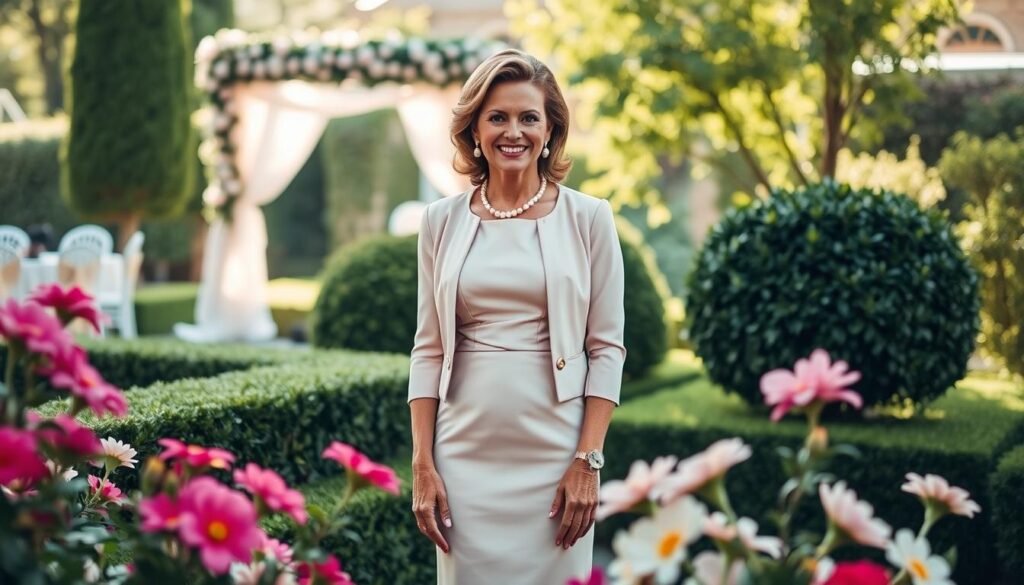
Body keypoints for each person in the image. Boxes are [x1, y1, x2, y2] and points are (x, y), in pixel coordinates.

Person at [408, 49, 627, 584]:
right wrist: (422, 462)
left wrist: (588, 461)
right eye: (497, 116)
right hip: (463, 451)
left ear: (550, 129)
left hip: (557, 452)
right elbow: (428, 348)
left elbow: (607, 348)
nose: (514, 131)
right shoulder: (439, 221)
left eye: (529, 117)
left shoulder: (590, 218)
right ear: (475, 130)